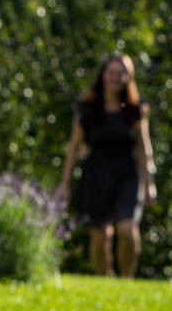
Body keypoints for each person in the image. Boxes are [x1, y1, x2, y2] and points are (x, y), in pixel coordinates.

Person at [56, 54, 156, 278]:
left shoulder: (135, 109)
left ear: (128, 77)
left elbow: (144, 148)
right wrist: (65, 183)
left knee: (127, 229)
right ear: (102, 75)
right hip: (96, 174)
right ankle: (105, 281)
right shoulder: (88, 109)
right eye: (110, 72)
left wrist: (150, 183)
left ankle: (126, 280)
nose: (115, 77)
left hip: (127, 173)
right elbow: (74, 147)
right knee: (101, 236)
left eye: (120, 72)